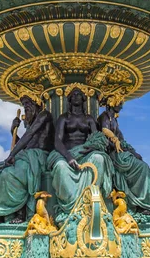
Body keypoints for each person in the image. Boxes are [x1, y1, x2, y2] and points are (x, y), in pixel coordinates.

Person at [0, 90, 54, 224]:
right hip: (26, 155)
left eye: (28, 103)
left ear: (37, 103)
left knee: (10, 174)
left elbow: (30, 135)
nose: (25, 107)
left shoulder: (44, 115)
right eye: (24, 104)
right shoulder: (30, 123)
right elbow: (25, 143)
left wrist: (12, 154)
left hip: (39, 156)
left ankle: (20, 213)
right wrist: (12, 131)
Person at [97, 95, 150, 222]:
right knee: (142, 168)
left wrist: (132, 151)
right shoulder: (105, 116)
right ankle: (141, 204)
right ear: (112, 102)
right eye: (120, 102)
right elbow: (104, 130)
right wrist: (114, 139)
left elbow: (122, 141)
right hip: (112, 154)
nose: (121, 106)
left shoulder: (115, 121)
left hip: (119, 152)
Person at [47, 84, 113, 221]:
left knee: (99, 159)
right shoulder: (64, 118)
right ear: (69, 100)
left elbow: (97, 138)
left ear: (83, 99)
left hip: (85, 152)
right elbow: (57, 141)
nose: (76, 96)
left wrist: (93, 147)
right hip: (66, 154)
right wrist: (69, 157)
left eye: (79, 94)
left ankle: (93, 201)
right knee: (60, 167)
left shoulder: (89, 119)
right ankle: (69, 208)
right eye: (74, 95)